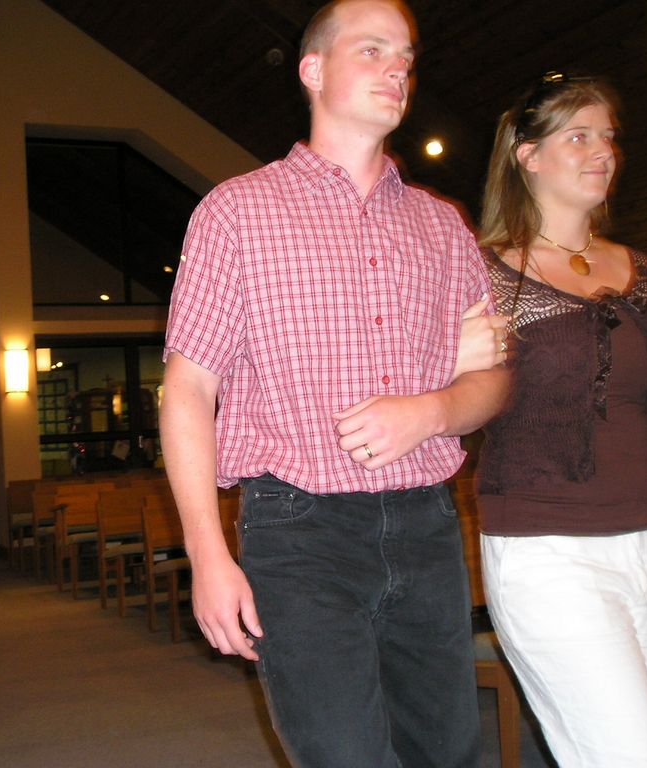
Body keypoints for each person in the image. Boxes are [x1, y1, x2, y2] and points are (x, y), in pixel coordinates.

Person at [160, 1, 510, 765]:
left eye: (407, 56)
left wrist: (431, 411)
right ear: (313, 70)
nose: (398, 68)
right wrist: (207, 554)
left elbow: (490, 383)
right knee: (344, 756)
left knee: (448, 754)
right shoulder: (237, 213)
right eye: (373, 50)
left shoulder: (442, 226)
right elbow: (189, 390)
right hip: (299, 533)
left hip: (426, 523)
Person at [476, 72, 647, 766]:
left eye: (607, 136)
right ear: (528, 155)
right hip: (549, 553)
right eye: (578, 136)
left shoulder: (642, 271)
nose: (603, 151)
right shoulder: (483, 275)